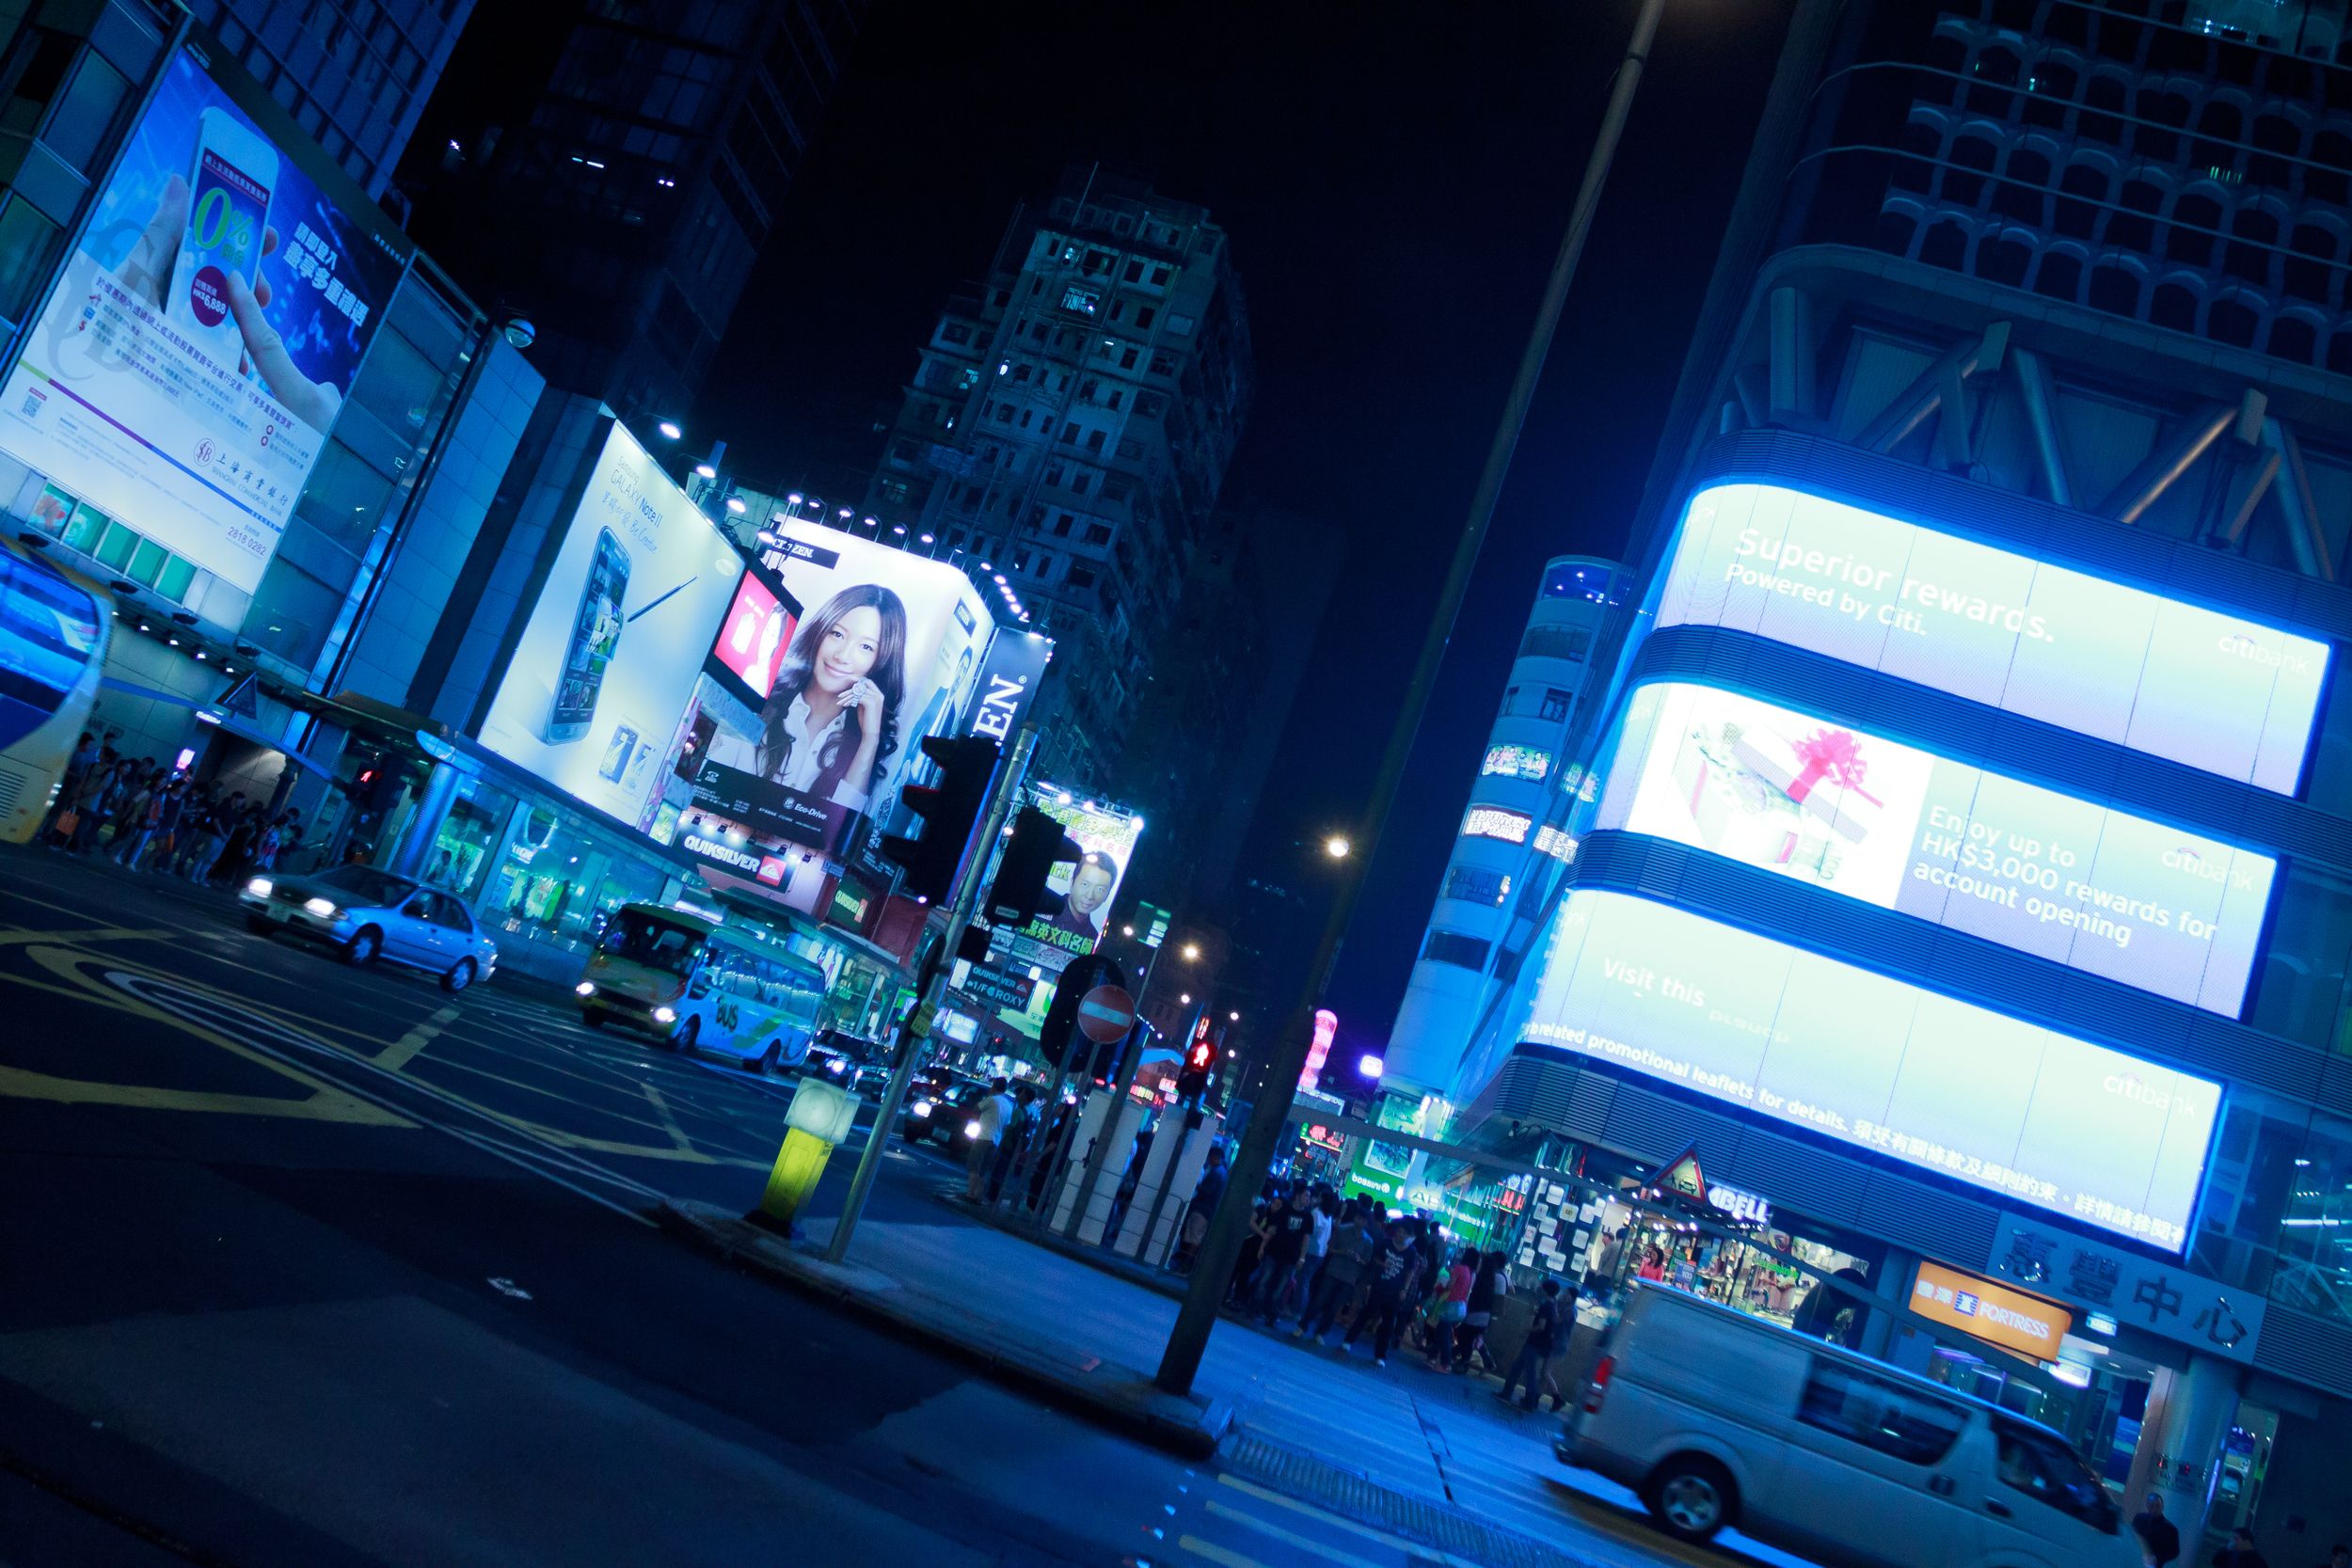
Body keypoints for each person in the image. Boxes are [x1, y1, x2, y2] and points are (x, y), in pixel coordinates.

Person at [713, 583, 909, 814]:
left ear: (881, 662)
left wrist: (870, 740)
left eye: (866, 647)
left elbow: (837, 830)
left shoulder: (871, 743)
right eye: (837, 634)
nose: (842, 656)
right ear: (820, 633)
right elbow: (711, 782)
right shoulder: (762, 698)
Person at [1343, 1219, 1422, 1367]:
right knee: (1365, 1314)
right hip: (1379, 1286)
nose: (1400, 1234)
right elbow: (1375, 1259)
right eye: (1399, 1231)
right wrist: (1382, 1264)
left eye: (1404, 1232)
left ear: (1408, 1236)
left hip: (1394, 1290)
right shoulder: (1386, 1243)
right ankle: (1348, 1341)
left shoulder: (1411, 1251)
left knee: (1388, 1324)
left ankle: (1380, 1355)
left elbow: (1410, 1272)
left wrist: (1405, 1289)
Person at [1299, 1199, 1377, 1340]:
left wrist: (1358, 1259)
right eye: (1358, 1218)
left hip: (1350, 1278)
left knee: (1334, 1307)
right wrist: (1343, 1252)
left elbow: (1366, 1262)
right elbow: (1329, 1247)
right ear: (1355, 1218)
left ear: (1366, 1222)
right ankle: (1303, 1325)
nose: (1360, 1221)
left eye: (1363, 1219)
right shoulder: (1343, 1230)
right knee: (1319, 1300)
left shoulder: (1368, 1242)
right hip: (1333, 1271)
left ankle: (1320, 1332)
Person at [1499, 1277, 1572, 1410]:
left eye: (1542, 1286)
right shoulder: (1549, 1306)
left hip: (1534, 1343)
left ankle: (1527, 1402)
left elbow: (1541, 1325)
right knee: (1519, 1368)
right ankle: (1509, 1393)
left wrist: (1527, 1331)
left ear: (1545, 1289)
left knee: (1529, 1373)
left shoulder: (1546, 1306)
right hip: (1538, 1344)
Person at [1253, 1184, 1317, 1323]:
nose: (1308, 1199)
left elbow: (1306, 1238)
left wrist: (1302, 1257)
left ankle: (1271, 1315)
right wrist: (1263, 1246)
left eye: (1309, 1196)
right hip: (1275, 1250)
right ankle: (1255, 1309)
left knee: (1280, 1288)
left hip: (1291, 1256)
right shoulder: (1285, 1209)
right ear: (1298, 1196)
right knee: (1264, 1281)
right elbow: (1272, 1229)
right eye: (1306, 1195)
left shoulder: (1308, 1217)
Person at [1455, 1250, 1509, 1372]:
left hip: (1482, 1312)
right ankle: (1481, 1362)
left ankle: (1462, 1359)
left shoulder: (1494, 1277)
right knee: (1474, 1337)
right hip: (1487, 1312)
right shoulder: (1499, 1276)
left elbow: (1481, 1295)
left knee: (1468, 1336)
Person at [1176, 1146, 1229, 1271]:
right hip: (1208, 1210)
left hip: (1202, 1209)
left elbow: (1208, 1191)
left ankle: (1185, 1265)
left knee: (1194, 1239)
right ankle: (1186, 1264)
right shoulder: (1223, 1172)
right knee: (1196, 1238)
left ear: (1214, 1157)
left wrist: (1197, 1186)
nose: (1207, 1159)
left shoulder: (1215, 1173)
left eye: (1209, 1157)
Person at [1047, 852, 1120, 942]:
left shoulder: (1093, 937)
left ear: (1107, 895)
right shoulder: (1043, 910)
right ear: (1072, 883)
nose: (1089, 896)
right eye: (1085, 884)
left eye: (1100, 889)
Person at [1422, 1248, 1475, 1369]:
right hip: (1461, 1307)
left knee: (1445, 1334)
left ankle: (1446, 1363)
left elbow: (1450, 1286)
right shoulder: (1470, 1273)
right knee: (1441, 1332)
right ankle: (1432, 1357)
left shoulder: (1459, 1268)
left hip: (1450, 1304)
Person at [963, 1077, 1010, 1201]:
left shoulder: (992, 1100)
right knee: (984, 1169)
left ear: (994, 1086)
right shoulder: (1008, 1105)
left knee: (974, 1165)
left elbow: (977, 1108)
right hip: (995, 1139)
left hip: (983, 1136)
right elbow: (1006, 1125)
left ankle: (969, 1194)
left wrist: (988, 1096)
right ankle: (978, 1195)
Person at [2132, 1493, 2182, 1568]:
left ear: (2162, 1507)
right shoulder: (2139, 1519)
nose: (2155, 1509)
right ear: (2147, 1506)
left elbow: (2174, 1551)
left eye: (2158, 1506)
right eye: (2152, 1506)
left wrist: (2157, 1558)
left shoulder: (2170, 1529)